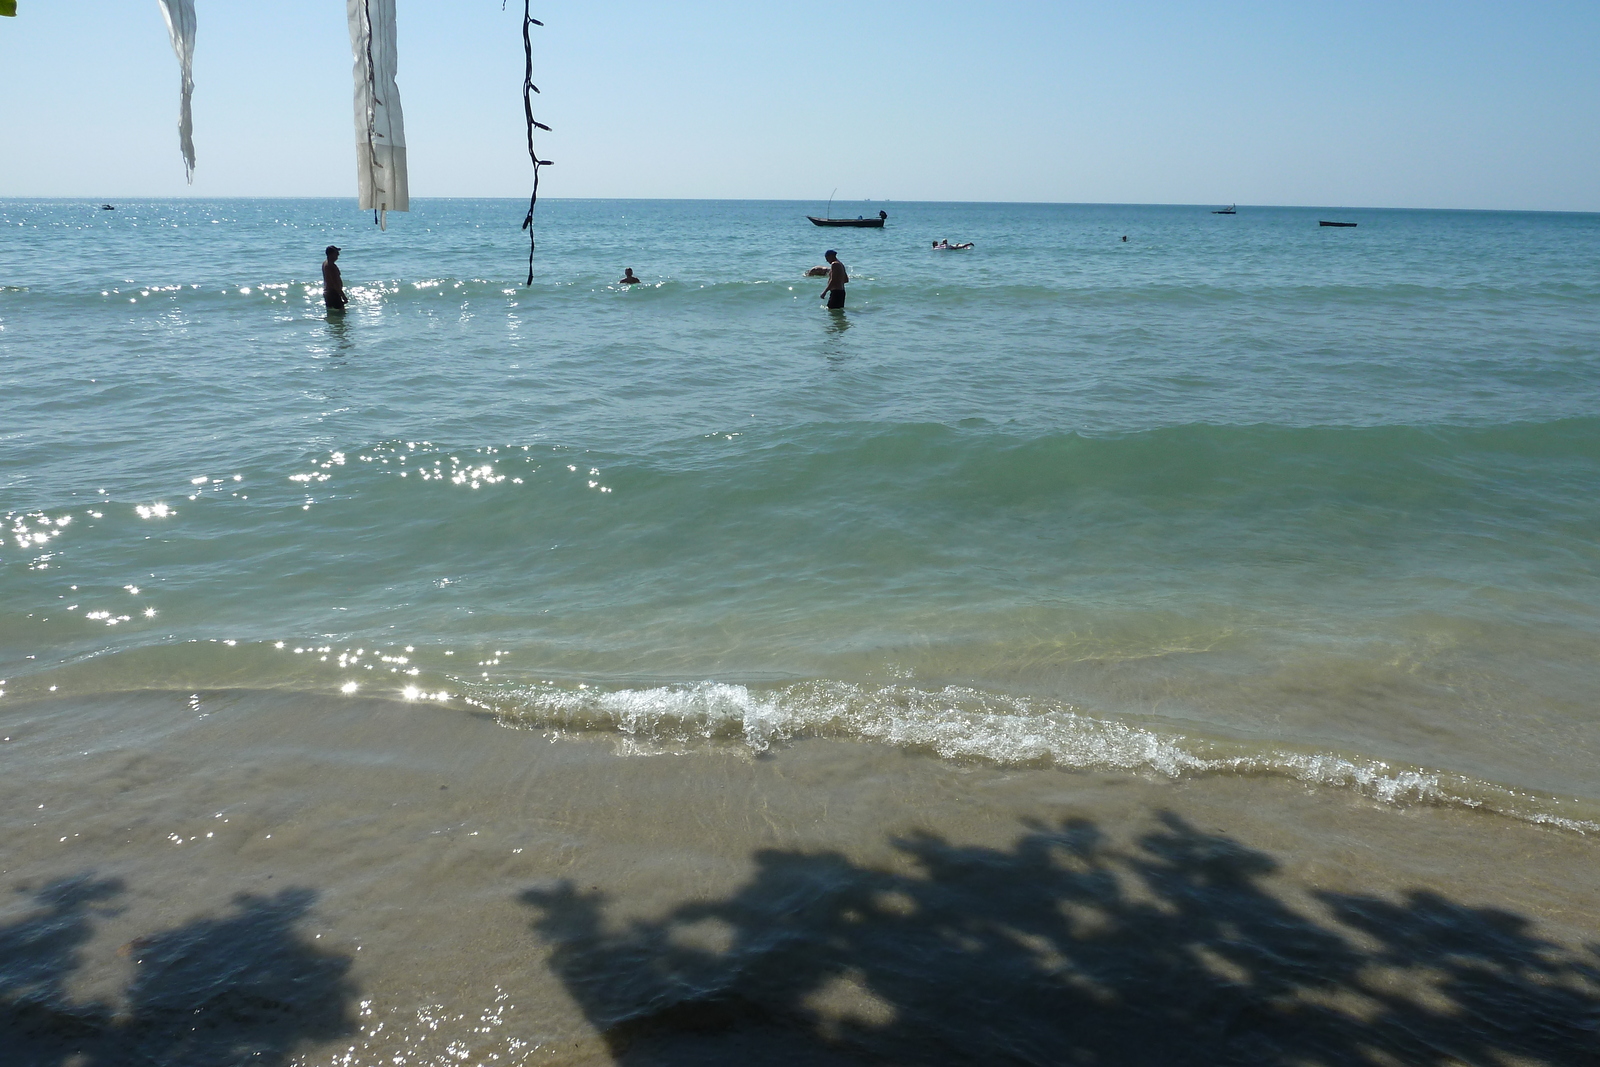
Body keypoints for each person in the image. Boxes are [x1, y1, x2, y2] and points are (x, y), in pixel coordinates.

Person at [322, 245, 346, 310]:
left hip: (327, 293)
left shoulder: (325, 263)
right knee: (341, 315)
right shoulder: (331, 266)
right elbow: (335, 283)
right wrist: (343, 296)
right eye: (336, 253)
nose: (338, 254)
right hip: (333, 294)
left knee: (332, 315)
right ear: (331, 254)